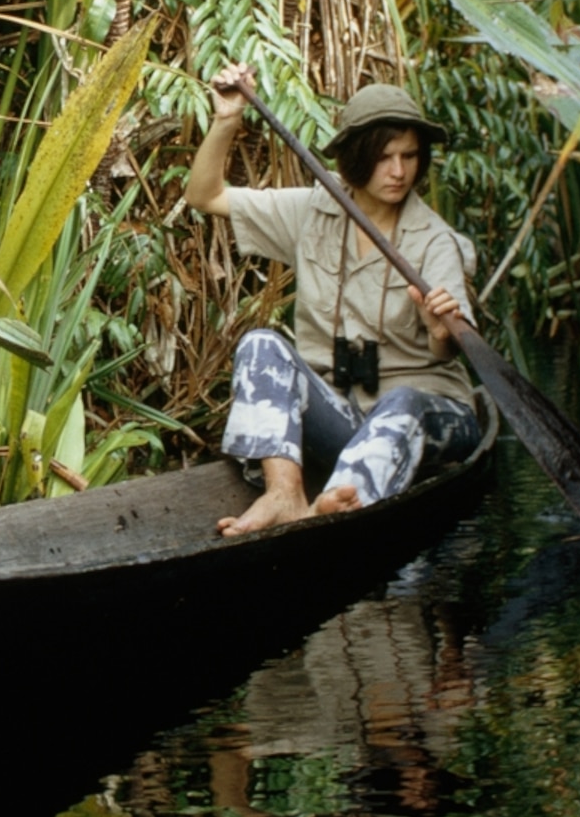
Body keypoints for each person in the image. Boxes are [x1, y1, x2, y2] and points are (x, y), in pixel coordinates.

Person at [184, 65, 492, 536]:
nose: (398, 171)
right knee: (262, 344)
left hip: (428, 418)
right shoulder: (314, 210)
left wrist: (438, 332)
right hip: (347, 418)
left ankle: (328, 516)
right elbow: (206, 196)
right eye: (384, 156)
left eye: (409, 156)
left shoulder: (435, 241)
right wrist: (227, 119)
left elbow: (449, 349)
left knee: (404, 402)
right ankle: (285, 493)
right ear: (355, 158)